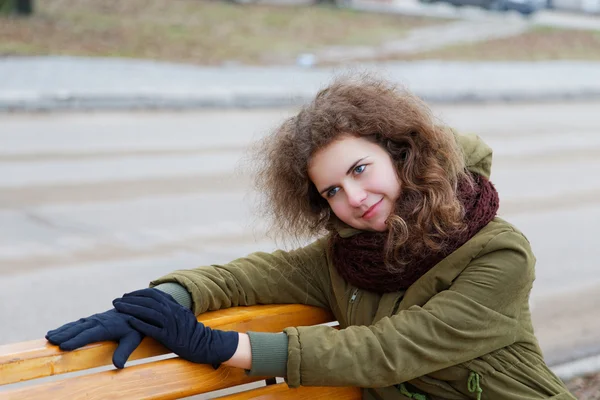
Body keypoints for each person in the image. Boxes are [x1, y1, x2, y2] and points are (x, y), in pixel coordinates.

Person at [46, 75, 575, 400]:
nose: (353, 197)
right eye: (332, 191)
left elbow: (389, 350)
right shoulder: (349, 257)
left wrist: (218, 346)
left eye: (362, 168)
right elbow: (245, 276)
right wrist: (158, 301)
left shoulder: (499, 252)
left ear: (402, 152)